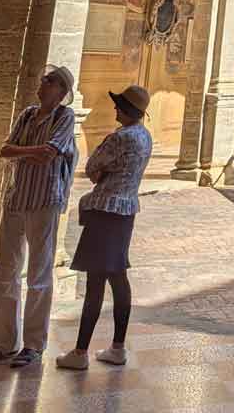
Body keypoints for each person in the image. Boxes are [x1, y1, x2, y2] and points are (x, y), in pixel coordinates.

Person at [0, 65, 77, 369]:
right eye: (43, 79)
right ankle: (4, 343)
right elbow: (5, 150)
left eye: (50, 82)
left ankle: (33, 345)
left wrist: (24, 152)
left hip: (44, 202)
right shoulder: (28, 114)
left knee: (39, 275)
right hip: (17, 199)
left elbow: (51, 152)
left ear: (61, 91)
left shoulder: (64, 117)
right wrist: (31, 152)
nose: (42, 84)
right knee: (5, 271)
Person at [56, 85, 153, 371]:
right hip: (126, 211)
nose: (114, 110)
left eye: (118, 106)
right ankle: (117, 347)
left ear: (126, 110)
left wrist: (103, 171)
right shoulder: (145, 136)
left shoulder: (120, 138)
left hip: (105, 210)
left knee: (95, 283)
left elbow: (92, 167)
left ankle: (80, 351)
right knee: (118, 278)